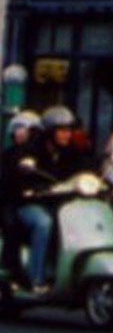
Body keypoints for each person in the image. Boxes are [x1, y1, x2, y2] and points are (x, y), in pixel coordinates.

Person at [1, 113, 50, 288]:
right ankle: (34, 277)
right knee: (43, 223)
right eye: (17, 128)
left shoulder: (42, 154)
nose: (20, 132)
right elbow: (7, 182)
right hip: (16, 204)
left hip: (40, 201)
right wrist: (23, 191)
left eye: (25, 129)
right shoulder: (9, 155)